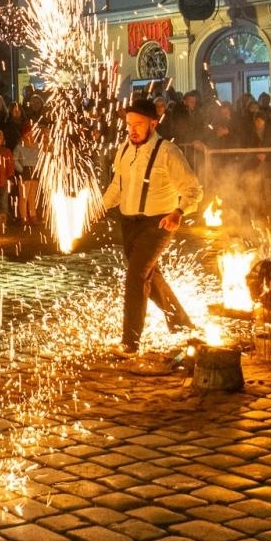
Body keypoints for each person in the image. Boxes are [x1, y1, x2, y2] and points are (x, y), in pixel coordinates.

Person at [100, 99, 204, 355]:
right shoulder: (124, 149)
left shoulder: (168, 152)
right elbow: (117, 187)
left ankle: (130, 342)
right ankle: (181, 324)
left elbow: (193, 190)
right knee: (149, 275)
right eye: (129, 125)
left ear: (153, 124)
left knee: (136, 276)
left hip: (158, 224)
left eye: (138, 124)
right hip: (129, 224)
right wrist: (97, 207)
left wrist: (179, 212)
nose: (132, 130)